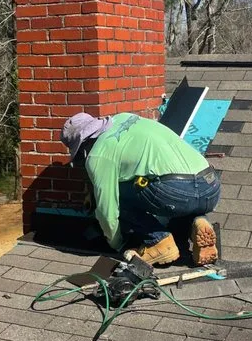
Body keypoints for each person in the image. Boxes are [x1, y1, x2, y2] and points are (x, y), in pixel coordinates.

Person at [61, 111, 221, 266]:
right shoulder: (125, 117)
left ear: (82, 145)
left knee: (115, 194)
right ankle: (198, 221)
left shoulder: (98, 155)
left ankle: (160, 241)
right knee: (184, 198)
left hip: (176, 191)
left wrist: (118, 245)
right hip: (210, 186)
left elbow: (107, 212)